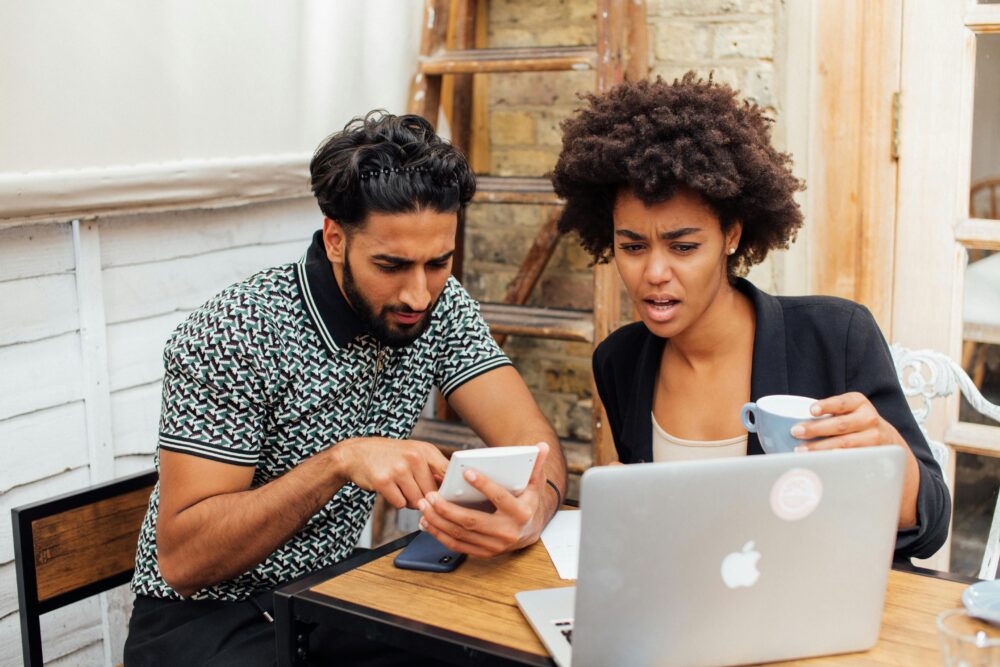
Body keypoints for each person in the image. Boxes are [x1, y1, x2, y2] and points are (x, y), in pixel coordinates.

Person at [124, 111, 567, 666]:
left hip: (327, 597)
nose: (418, 295)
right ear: (335, 239)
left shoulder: (443, 305)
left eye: (439, 262)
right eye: (391, 265)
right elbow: (185, 561)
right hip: (205, 621)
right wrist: (339, 461)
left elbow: (534, 440)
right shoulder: (237, 331)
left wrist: (534, 508)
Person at [551, 74, 949, 560]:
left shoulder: (835, 336)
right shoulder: (620, 361)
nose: (654, 272)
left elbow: (931, 528)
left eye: (683, 246)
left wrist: (889, 457)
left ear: (732, 235)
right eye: (632, 246)